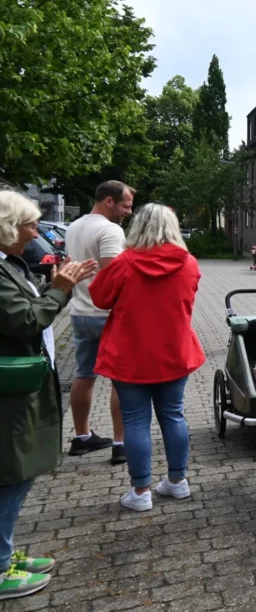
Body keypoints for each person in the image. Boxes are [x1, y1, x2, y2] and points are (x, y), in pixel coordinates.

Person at [0, 190, 97, 600]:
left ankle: (5, 554)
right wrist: (60, 289)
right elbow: (23, 320)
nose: (35, 230)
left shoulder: (8, 265)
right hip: (10, 387)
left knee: (16, 474)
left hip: (20, 383)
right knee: (10, 475)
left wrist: (53, 286)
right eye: (28, 223)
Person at [88, 204, 205, 511]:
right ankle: (177, 482)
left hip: (131, 355)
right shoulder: (189, 263)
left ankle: (141, 492)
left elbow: (100, 299)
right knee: (173, 415)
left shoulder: (124, 263)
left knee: (135, 421)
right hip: (174, 352)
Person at [63, 181, 133, 463]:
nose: (128, 211)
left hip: (79, 311)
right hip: (107, 315)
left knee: (84, 375)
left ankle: (82, 437)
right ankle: (121, 444)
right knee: (122, 381)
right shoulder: (109, 230)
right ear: (108, 201)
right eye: (125, 205)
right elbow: (115, 275)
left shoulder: (75, 226)